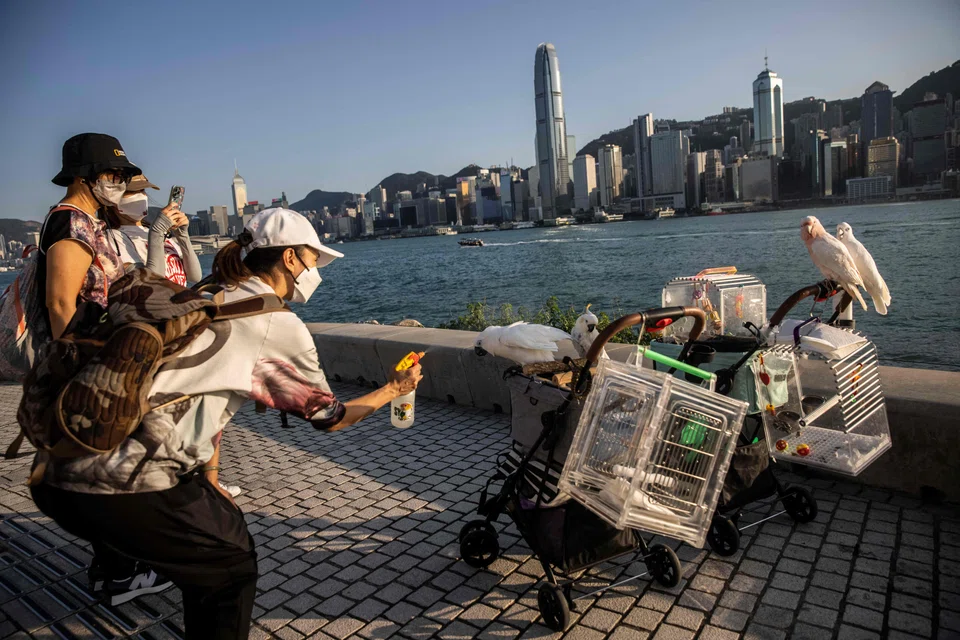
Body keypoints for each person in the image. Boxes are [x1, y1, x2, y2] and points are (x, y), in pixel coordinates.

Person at [29, 208, 423, 639]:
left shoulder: (209, 291)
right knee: (230, 568)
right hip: (125, 482)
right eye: (312, 260)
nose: (315, 272)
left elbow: (204, 394)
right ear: (290, 259)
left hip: (59, 464)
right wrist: (393, 388)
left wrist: (211, 478)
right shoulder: (275, 323)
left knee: (215, 551)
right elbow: (329, 419)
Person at [44, 133, 176, 603]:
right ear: (84, 176)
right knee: (108, 469)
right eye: (112, 175)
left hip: (102, 360)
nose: (120, 182)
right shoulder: (69, 222)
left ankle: (118, 566)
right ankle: (117, 572)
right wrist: (87, 372)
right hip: (90, 366)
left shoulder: (89, 220)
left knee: (111, 467)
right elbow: (62, 303)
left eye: (123, 174)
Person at [109, 176, 242, 500]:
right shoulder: (114, 239)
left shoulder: (160, 234)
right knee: (162, 418)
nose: (140, 198)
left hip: (183, 331)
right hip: (151, 337)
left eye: (143, 192)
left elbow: (194, 278)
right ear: (115, 199)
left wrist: (181, 236)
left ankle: (206, 483)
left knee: (205, 408)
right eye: (133, 193)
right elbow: (148, 282)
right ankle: (165, 487)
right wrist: (157, 233)